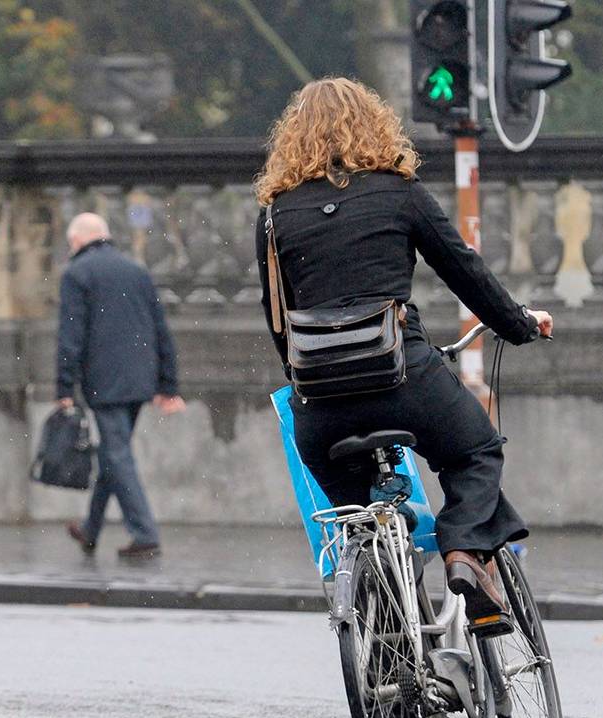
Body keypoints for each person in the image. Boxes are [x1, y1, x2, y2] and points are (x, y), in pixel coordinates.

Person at [254, 78, 554, 630]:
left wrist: (306, 387)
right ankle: (464, 554)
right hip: (404, 380)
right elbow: (468, 274)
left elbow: (278, 320)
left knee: (355, 519)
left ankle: (390, 663)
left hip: (320, 407)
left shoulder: (275, 215)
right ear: (373, 124)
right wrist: (519, 325)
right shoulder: (400, 193)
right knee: (476, 452)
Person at [55, 212, 184, 559]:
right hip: (139, 379)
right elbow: (160, 330)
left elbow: (71, 336)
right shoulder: (136, 271)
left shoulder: (76, 274)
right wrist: (167, 383)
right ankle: (90, 529)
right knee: (114, 454)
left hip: (104, 382)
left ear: (78, 241)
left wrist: (64, 388)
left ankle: (145, 535)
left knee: (117, 456)